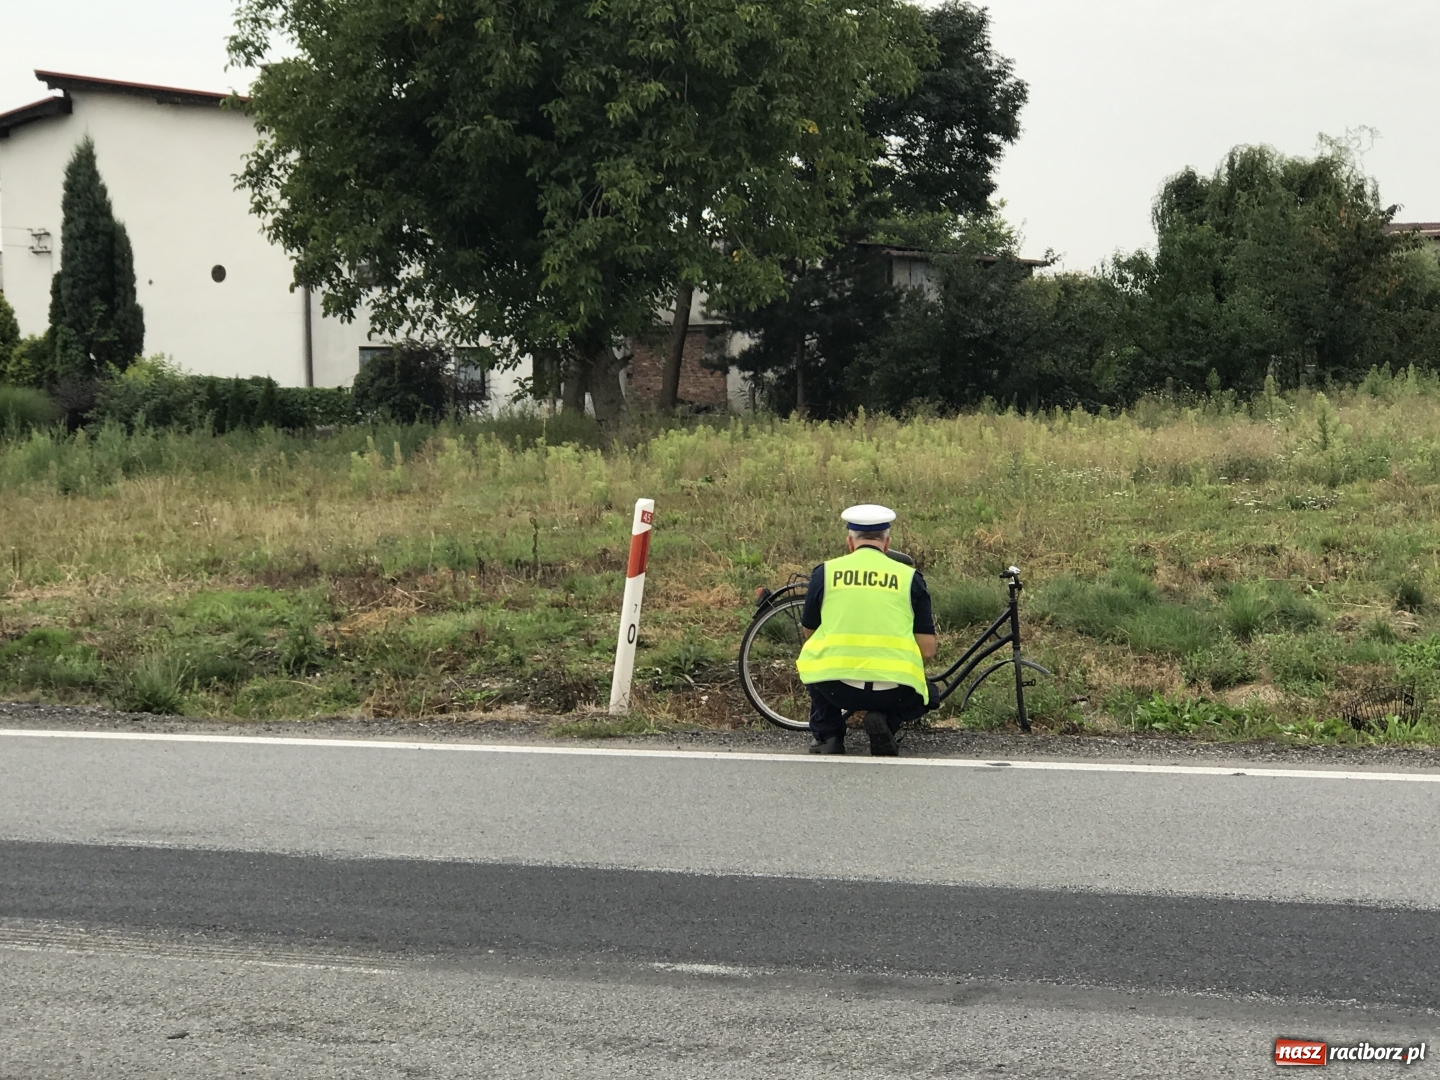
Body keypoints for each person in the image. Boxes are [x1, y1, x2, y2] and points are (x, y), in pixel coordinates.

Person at [795, 504, 937, 756]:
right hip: (896, 691)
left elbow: (809, 634)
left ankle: (829, 735)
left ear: (850, 542)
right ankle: (885, 720)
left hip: (837, 688)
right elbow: (927, 650)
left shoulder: (825, 573)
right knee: (931, 693)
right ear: (887, 543)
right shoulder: (909, 577)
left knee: (812, 658)